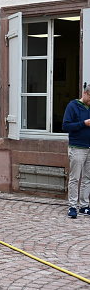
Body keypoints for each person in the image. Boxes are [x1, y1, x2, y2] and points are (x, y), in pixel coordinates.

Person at [62, 85, 90, 219]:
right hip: (77, 147)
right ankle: (72, 206)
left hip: (89, 147)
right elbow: (65, 126)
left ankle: (84, 206)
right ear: (85, 93)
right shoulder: (72, 106)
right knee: (75, 178)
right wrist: (84, 123)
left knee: (87, 178)